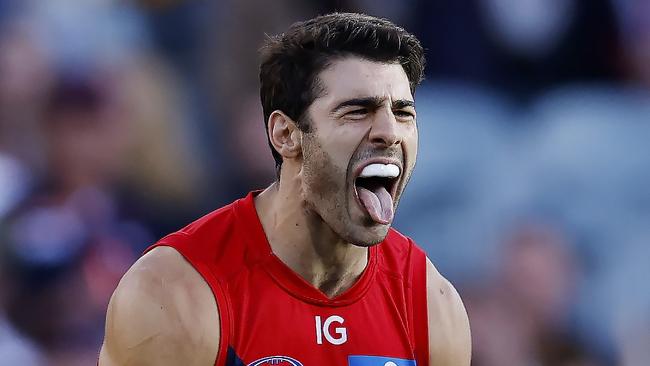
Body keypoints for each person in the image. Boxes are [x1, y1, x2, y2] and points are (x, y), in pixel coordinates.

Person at [98, 12, 471, 366]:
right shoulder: (174, 293)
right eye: (358, 111)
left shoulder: (431, 306)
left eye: (404, 113)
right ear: (286, 135)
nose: (390, 132)